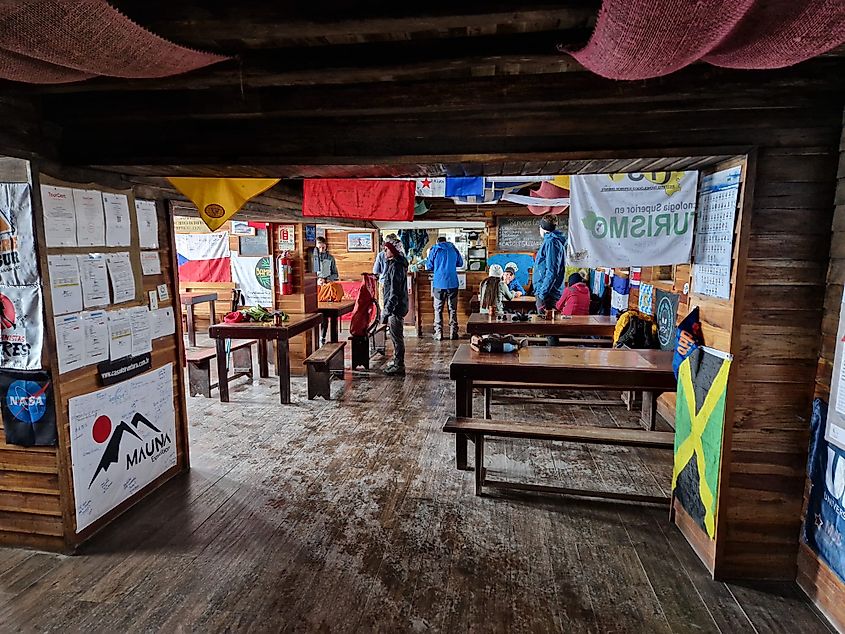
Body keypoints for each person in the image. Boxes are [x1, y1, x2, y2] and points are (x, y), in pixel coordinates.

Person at [425, 236, 464, 340]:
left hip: (439, 283)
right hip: (453, 283)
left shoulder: (435, 249)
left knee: (438, 309)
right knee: (453, 309)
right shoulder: (454, 249)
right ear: (446, 241)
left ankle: (438, 333)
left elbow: (429, 266)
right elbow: (460, 263)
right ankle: (453, 333)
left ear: (438, 242)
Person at [381, 241, 409, 376]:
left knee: (396, 337)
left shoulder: (396, 266)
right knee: (395, 336)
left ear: (394, 250)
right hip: (397, 306)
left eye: (387, 249)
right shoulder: (395, 264)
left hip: (395, 308)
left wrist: (387, 310)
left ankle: (399, 364)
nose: (385, 252)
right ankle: (397, 361)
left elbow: (394, 291)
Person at [533, 215, 567, 315]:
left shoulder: (551, 242)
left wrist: (542, 294)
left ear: (542, 228)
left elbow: (552, 271)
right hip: (548, 292)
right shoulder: (553, 241)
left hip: (548, 294)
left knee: (545, 327)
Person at [313, 236, 340, 344]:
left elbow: (336, 274)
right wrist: (316, 280)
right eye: (319, 248)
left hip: (326, 288)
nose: (321, 250)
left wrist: (327, 279)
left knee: (325, 314)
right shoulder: (311, 258)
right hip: (314, 288)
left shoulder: (330, 258)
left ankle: (322, 337)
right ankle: (314, 338)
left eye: (323, 248)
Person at [373, 233, 403, 308]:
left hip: (383, 282)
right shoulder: (401, 255)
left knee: (384, 305)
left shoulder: (381, 255)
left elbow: (375, 271)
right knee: (395, 304)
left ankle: (385, 318)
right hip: (397, 282)